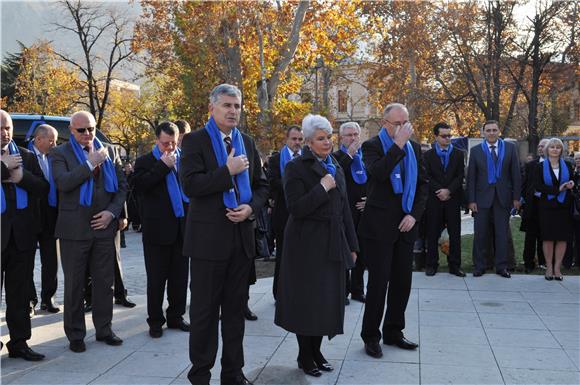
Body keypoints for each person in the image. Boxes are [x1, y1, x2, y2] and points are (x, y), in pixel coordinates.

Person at [180, 84, 268, 385]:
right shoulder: (194, 141)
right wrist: (226, 171)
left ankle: (233, 373)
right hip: (207, 245)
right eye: (227, 105)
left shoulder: (247, 141)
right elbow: (190, 186)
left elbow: (262, 186)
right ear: (212, 108)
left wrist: (250, 209)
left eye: (237, 106)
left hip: (240, 241)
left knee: (234, 315)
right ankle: (200, 375)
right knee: (204, 315)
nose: (233, 111)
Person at [275, 114, 358, 377]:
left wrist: (352, 246)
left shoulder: (336, 166)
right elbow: (296, 208)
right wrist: (322, 187)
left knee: (327, 301)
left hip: (333, 241)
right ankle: (305, 354)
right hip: (305, 244)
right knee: (307, 301)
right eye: (321, 139)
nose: (327, 143)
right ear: (309, 142)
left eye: (329, 138)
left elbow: (345, 210)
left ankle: (317, 351)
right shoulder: (295, 167)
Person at [51, 111, 127, 353]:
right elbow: (63, 183)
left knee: (105, 283)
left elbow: (122, 187)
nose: (87, 134)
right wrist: (90, 163)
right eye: (81, 130)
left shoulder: (110, 150)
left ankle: (104, 329)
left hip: (104, 228)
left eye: (91, 128)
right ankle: (75, 335)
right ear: (71, 131)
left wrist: (112, 213)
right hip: (74, 230)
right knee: (74, 284)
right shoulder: (59, 153)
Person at [358, 103, 428, 359]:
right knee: (378, 284)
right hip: (379, 227)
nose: (403, 128)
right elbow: (377, 174)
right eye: (397, 124)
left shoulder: (415, 148)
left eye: (405, 123)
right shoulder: (372, 146)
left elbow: (423, 185)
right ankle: (371, 336)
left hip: (406, 225)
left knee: (402, 283)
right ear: (384, 123)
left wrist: (414, 215)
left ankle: (393, 332)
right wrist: (397, 145)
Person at [131, 121, 190, 338]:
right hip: (157, 229)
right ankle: (155, 321)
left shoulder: (184, 158)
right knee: (156, 280)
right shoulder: (145, 161)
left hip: (182, 227)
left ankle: (176, 316)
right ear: (157, 140)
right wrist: (162, 166)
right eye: (165, 144)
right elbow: (139, 187)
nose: (170, 148)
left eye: (173, 143)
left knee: (180, 277)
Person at [1, 109, 49, 360]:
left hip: (22, 238)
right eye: (0, 128)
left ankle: (19, 343)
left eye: (7, 127)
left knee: (19, 295)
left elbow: (43, 188)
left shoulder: (28, 157)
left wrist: (21, 177)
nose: (5, 132)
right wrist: (2, 167)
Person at [467, 120, 521, 278]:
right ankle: (479, 266)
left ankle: (502, 267)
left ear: (499, 131)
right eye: (488, 130)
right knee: (480, 234)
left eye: (494, 130)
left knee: (502, 234)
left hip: (503, 198)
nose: (491, 133)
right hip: (481, 199)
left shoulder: (510, 148)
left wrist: (517, 197)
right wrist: (471, 200)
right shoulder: (476, 151)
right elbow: (471, 177)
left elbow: (516, 175)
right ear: (483, 132)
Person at [424, 122, 465, 277]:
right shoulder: (427, 155)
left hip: (453, 199)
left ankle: (455, 266)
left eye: (450, 135)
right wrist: (439, 190)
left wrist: (448, 190)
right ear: (436, 136)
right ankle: (431, 265)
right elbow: (426, 176)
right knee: (432, 232)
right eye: (444, 136)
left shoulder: (458, 153)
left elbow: (460, 175)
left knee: (455, 233)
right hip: (434, 200)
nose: (448, 138)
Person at [332, 121, 367, 303]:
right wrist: (350, 155)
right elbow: (336, 176)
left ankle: (357, 289)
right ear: (341, 138)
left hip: (363, 212)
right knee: (345, 250)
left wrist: (369, 199)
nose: (353, 139)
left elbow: (375, 181)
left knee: (361, 252)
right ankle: (343, 290)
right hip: (344, 212)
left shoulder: (366, 156)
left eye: (355, 135)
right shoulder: (336, 156)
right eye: (349, 135)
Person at [267, 125, 303, 300]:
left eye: (300, 139)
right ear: (286, 140)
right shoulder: (275, 160)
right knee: (283, 256)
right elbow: (272, 183)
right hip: (283, 215)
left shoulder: (307, 159)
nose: (297, 143)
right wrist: (295, 184)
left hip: (304, 215)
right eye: (294, 139)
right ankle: (279, 293)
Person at [27, 124, 61, 312]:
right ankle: (29, 301)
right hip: (30, 215)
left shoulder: (55, 156)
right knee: (26, 260)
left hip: (50, 213)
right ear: (39, 140)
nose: (54, 144)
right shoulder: (25, 155)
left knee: (51, 259)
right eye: (51, 140)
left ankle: (49, 298)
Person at [533, 138, 574, 280]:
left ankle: (557, 268)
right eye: (552, 147)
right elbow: (538, 186)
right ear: (547, 150)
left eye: (558, 147)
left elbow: (572, 179)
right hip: (547, 206)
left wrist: (571, 183)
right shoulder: (540, 166)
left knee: (562, 238)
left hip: (564, 206)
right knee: (548, 237)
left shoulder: (568, 165)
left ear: (561, 150)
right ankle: (549, 267)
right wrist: (558, 189)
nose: (555, 149)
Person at [520, 139, 549, 273]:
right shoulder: (531, 165)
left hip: (548, 206)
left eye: (543, 146)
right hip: (532, 205)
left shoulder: (556, 166)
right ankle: (528, 262)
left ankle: (544, 261)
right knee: (530, 236)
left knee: (545, 235)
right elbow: (525, 184)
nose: (540, 148)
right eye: (539, 146)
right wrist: (522, 200)